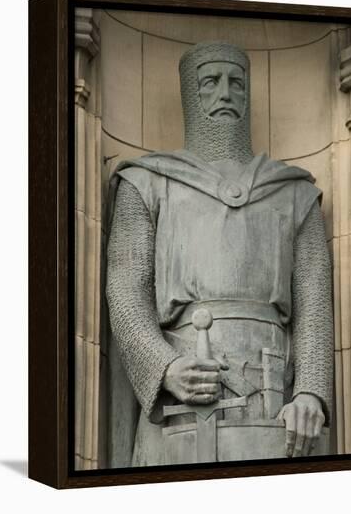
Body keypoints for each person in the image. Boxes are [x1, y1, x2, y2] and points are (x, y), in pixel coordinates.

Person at [106, 41, 333, 466]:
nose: (226, 94)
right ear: (191, 95)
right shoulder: (147, 183)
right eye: (211, 82)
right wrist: (165, 367)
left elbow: (315, 307)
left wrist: (310, 392)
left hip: (274, 403)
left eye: (236, 83)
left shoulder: (294, 193)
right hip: (182, 399)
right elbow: (125, 293)